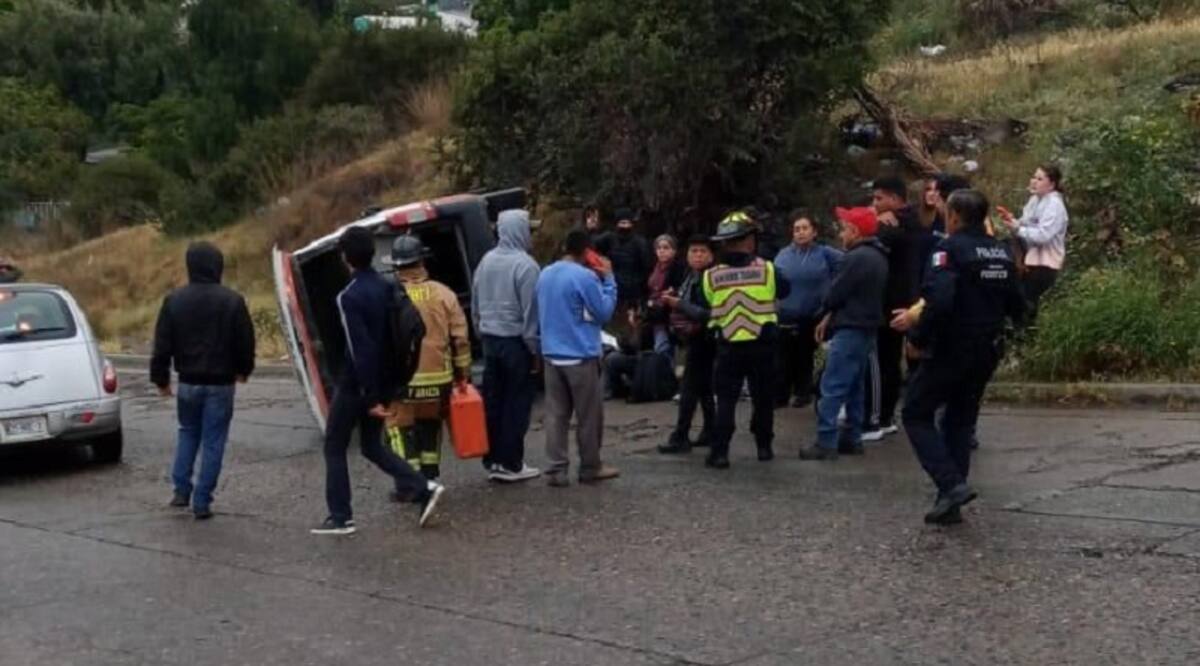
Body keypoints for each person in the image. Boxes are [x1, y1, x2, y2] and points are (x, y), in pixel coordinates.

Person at [897, 189, 1026, 524]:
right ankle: (949, 503)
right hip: (987, 349)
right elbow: (1019, 304)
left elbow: (939, 300)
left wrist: (917, 337)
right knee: (959, 420)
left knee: (915, 412)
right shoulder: (1001, 252)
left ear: (954, 216)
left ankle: (951, 484)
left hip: (952, 346)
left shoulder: (949, 249)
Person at [312, 227, 442, 536]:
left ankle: (341, 516)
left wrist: (369, 396)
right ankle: (422, 487)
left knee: (335, 445)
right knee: (371, 445)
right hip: (385, 379)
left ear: (345, 257)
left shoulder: (349, 296)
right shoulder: (388, 286)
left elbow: (360, 348)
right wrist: (385, 389)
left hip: (356, 384)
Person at [150, 242, 256, 520]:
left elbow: (162, 344)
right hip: (221, 382)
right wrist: (244, 369)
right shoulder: (232, 301)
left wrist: (161, 378)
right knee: (213, 440)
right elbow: (245, 341)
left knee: (188, 432)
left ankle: (181, 489)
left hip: (188, 380)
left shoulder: (174, 300)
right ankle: (202, 499)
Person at [799, 208, 888, 461]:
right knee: (855, 385)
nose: (841, 234)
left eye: (844, 229)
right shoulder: (878, 256)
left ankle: (826, 441)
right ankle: (852, 436)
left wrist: (823, 311)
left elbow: (837, 292)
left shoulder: (855, 258)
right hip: (867, 326)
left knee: (833, 384)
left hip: (851, 326)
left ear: (855, 231)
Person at [384, 235, 473, 484]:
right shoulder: (444, 294)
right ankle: (430, 476)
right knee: (430, 424)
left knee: (398, 428)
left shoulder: (388, 296)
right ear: (422, 261)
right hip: (438, 380)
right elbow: (460, 339)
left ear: (396, 266)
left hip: (402, 381)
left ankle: (409, 483)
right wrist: (463, 375)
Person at [702, 211, 787, 469]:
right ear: (749, 239)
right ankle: (764, 447)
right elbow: (785, 290)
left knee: (726, 401)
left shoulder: (711, 275)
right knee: (763, 399)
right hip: (762, 343)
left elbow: (708, 300)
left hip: (728, 344)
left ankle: (720, 453)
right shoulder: (768, 269)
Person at [536, 230, 621, 486]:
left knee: (556, 415)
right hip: (581, 355)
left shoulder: (545, 274)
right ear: (587, 251)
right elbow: (603, 311)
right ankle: (590, 466)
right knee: (588, 416)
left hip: (552, 354)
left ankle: (556, 469)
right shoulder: (584, 277)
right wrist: (609, 279)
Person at [471, 209, 543, 483]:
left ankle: (493, 460)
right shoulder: (526, 266)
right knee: (517, 403)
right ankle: (513, 463)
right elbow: (531, 314)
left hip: (490, 341)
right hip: (515, 343)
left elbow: (476, 305)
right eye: (528, 230)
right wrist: (535, 350)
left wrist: (481, 332)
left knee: (494, 402)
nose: (530, 235)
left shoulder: (486, 261)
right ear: (519, 231)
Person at [863, 177, 923, 441]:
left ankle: (877, 418)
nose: (874, 204)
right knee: (887, 361)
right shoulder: (909, 222)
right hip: (898, 300)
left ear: (896, 199)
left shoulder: (899, 226)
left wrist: (875, 224)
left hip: (892, 302)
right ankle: (884, 415)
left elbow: (870, 241)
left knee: (882, 362)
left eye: (879, 198)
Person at [773, 211, 842, 408]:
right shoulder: (783, 254)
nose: (800, 233)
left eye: (805, 228)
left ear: (814, 232)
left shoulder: (826, 253)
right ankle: (781, 395)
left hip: (813, 314)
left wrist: (832, 293)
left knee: (805, 356)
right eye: (797, 229)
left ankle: (803, 393)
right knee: (783, 357)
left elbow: (848, 266)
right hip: (785, 313)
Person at [658, 235, 717, 453]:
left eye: (703, 251)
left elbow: (708, 314)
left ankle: (680, 436)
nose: (698, 255)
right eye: (694, 251)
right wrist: (674, 297)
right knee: (704, 388)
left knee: (689, 388)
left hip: (706, 338)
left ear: (711, 256)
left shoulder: (711, 278)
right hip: (693, 338)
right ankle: (710, 431)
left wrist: (679, 304)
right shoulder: (690, 275)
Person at [998, 164, 1068, 322]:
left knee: (1027, 302)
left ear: (1052, 184)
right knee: (1020, 301)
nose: (1034, 181)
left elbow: (1043, 235)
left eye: (1040, 179)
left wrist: (1017, 228)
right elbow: (1025, 223)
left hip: (1045, 263)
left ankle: (1026, 332)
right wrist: (1012, 220)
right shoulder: (1035, 200)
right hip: (1030, 259)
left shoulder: (1054, 204)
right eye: (1034, 177)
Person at [641, 234, 686, 358]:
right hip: (650, 314)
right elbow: (646, 288)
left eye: (666, 248)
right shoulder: (652, 267)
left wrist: (672, 292)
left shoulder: (679, 268)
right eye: (659, 248)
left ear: (674, 251)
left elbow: (679, 289)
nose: (661, 251)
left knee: (662, 349)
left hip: (667, 316)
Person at [607, 211, 653, 315]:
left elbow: (646, 265)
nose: (625, 226)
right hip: (616, 289)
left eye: (627, 223)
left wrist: (640, 286)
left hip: (635, 290)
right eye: (622, 223)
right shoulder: (611, 240)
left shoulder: (640, 242)